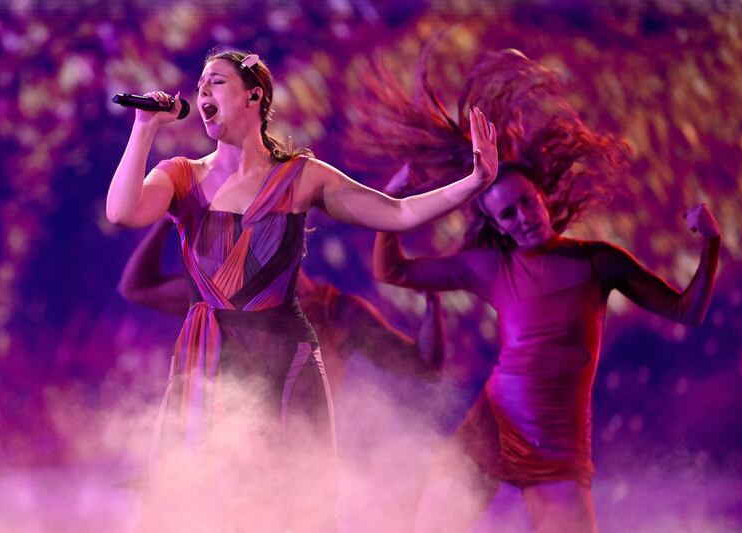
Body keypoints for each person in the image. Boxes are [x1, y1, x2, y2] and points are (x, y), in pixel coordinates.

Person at [105, 48, 497, 531]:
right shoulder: (182, 175)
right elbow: (123, 212)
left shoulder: (301, 177)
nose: (202, 91)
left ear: (255, 95)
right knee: (207, 501)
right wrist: (144, 128)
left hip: (283, 359)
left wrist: (476, 181)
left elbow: (398, 214)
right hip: (208, 363)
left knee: (289, 504)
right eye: (200, 84)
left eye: (216, 82)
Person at [362, 49, 721, 532]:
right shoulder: (492, 267)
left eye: (526, 204)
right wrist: (395, 200)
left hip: (558, 441)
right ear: (496, 224)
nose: (522, 218)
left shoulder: (598, 260)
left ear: (542, 197)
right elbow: (392, 272)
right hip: (493, 421)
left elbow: (686, 310)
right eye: (507, 214)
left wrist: (711, 243)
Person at [117, 216, 447, 388]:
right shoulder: (223, 298)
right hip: (231, 453)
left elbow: (423, 366)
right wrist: (167, 221)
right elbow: (136, 288)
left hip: (297, 466)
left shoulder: (337, 312)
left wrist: (432, 299)